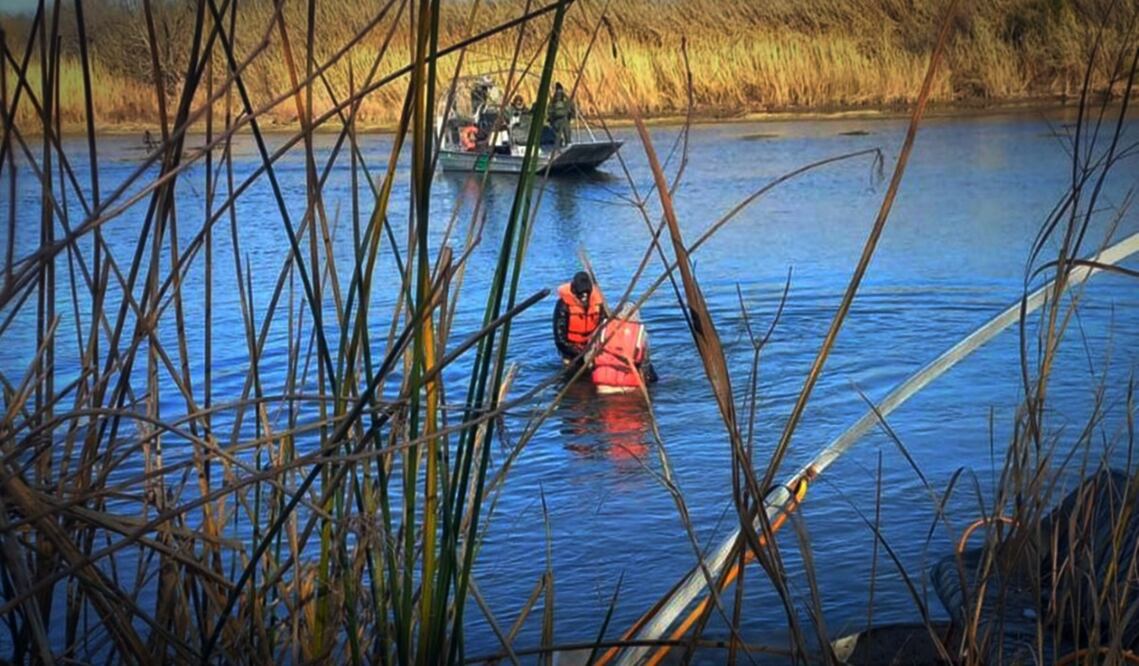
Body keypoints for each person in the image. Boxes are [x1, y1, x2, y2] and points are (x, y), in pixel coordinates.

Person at [590, 308, 658, 392]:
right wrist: (647, 379)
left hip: (603, 383)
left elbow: (589, 356)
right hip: (628, 385)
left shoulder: (603, 327)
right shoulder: (640, 333)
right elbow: (645, 363)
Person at [553, 271, 603, 364]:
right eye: (581, 294)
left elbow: (604, 325)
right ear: (574, 291)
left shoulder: (598, 303)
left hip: (592, 347)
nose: (584, 296)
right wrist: (577, 352)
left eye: (587, 293)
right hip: (570, 350)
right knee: (571, 368)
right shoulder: (563, 306)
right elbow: (560, 339)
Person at [547, 82, 575, 148]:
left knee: (557, 136)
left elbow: (549, 111)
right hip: (565, 120)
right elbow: (571, 107)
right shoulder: (565, 98)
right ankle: (567, 145)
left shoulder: (553, 99)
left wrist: (550, 120)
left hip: (556, 121)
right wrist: (572, 117)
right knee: (567, 134)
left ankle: (558, 146)